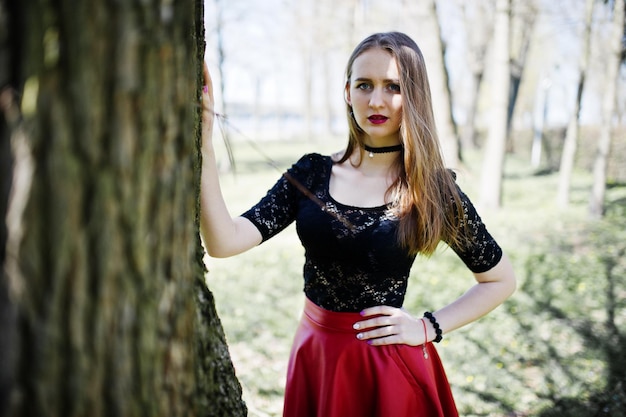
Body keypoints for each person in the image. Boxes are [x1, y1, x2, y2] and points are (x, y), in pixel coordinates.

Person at [200, 31, 516, 417]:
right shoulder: (312, 173)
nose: (376, 100)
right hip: (315, 353)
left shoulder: (433, 189)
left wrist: (428, 326)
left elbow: (500, 280)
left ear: (413, 96)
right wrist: (202, 142)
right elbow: (224, 241)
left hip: (386, 370)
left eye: (393, 87)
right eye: (364, 84)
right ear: (347, 91)